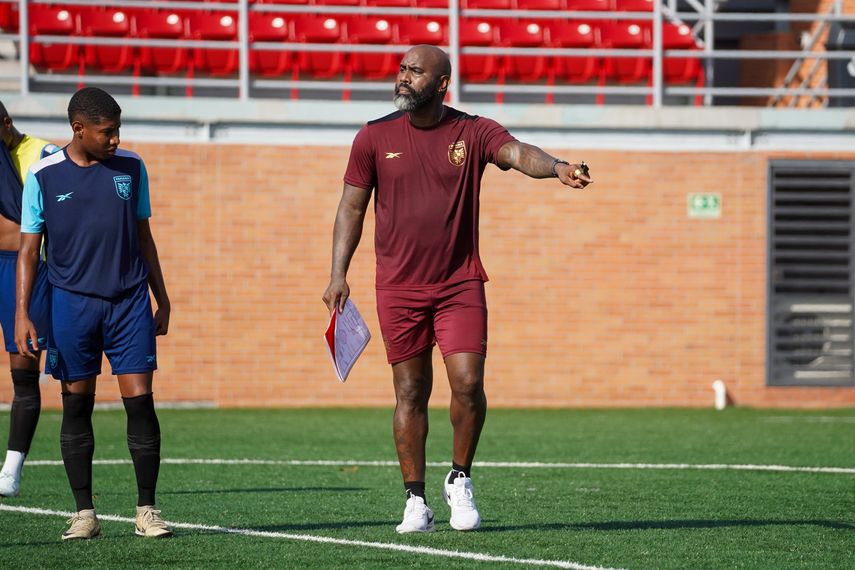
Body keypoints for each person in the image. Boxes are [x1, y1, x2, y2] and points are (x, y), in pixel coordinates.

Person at [322, 45, 593, 533]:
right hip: (398, 288)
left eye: (415, 71)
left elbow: (517, 153)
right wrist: (338, 272)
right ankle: (415, 500)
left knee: (468, 384)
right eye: (402, 69)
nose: (403, 77)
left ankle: (460, 478)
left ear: (442, 83)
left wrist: (556, 167)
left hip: (459, 283)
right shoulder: (373, 136)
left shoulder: (473, 131)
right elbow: (351, 208)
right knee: (410, 392)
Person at [15, 87, 173, 540]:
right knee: (76, 406)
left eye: (118, 130)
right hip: (71, 305)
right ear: (78, 129)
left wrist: (162, 297)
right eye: (106, 132)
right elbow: (29, 251)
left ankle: (147, 510)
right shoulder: (43, 175)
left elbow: (144, 236)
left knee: (141, 403)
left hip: (128, 304)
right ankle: (84, 513)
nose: (115, 139)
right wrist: (23, 314)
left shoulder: (132, 167)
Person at [0, 102, 58, 498]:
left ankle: (11, 469)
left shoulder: (40, 153)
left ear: (5, 122)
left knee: (23, 369)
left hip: (22, 269)